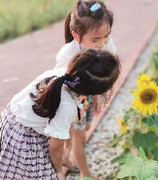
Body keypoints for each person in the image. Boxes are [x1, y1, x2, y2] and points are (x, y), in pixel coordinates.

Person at [0, 49, 120, 180]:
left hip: (10, 121)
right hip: (24, 140)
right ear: (95, 92)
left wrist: (66, 151)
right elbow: (55, 148)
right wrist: (58, 171)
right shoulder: (66, 106)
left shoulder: (62, 76)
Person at [54, 0, 117, 178]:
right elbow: (62, 88)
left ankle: (68, 147)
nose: (103, 43)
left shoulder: (107, 44)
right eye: (96, 39)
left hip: (87, 95)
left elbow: (103, 75)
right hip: (71, 98)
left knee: (86, 127)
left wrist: (97, 98)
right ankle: (85, 174)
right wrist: (76, 109)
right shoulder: (67, 56)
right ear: (76, 35)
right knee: (80, 137)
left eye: (107, 35)